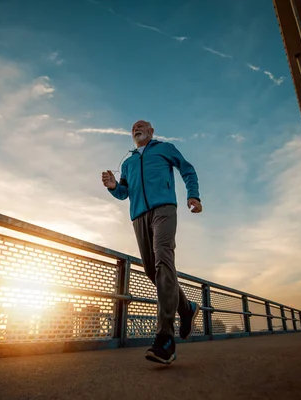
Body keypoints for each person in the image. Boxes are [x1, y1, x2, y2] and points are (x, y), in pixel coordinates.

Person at [101, 120, 202, 364]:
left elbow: (187, 170)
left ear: (151, 131)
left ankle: (165, 339)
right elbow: (124, 192)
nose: (136, 128)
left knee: (163, 260)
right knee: (151, 269)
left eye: (142, 126)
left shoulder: (165, 148)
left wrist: (193, 195)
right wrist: (114, 187)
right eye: (133, 127)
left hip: (164, 209)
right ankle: (186, 308)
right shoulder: (128, 163)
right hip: (138, 216)